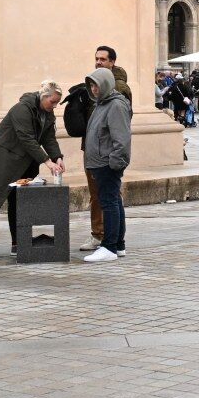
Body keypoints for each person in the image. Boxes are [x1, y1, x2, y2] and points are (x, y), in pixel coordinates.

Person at [0, 81, 63, 260]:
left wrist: (57, 156)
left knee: (18, 202)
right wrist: (46, 161)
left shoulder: (48, 114)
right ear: (44, 96)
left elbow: (49, 137)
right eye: (53, 102)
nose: (55, 106)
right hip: (5, 161)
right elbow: (25, 138)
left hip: (25, 164)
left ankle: (17, 243)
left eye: (57, 103)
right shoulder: (22, 109)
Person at [77, 47, 131, 255]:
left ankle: (108, 245)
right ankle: (117, 245)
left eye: (96, 86)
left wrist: (115, 163)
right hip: (100, 159)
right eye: (96, 59)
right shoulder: (102, 102)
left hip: (107, 161)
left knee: (108, 201)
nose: (93, 89)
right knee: (112, 200)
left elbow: (121, 137)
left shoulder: (115, 103)